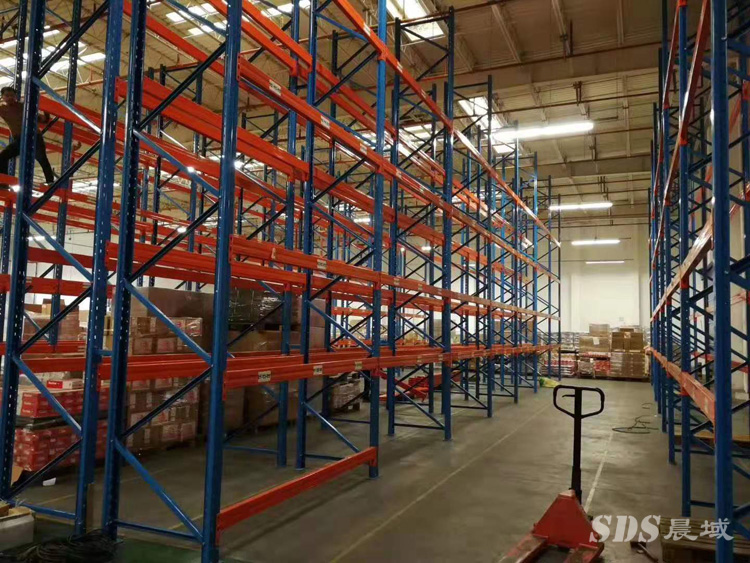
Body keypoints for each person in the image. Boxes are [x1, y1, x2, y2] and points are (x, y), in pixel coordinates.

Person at [0, 86, 55, 187]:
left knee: (42, 159)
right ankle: (4, 184)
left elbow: (42, 119)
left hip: (34, 137)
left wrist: (46, 111)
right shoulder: (2, 109)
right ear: (2, 97)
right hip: (19, 139)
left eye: (12, 95)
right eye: (7, 96)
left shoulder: (24, 106)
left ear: (15, 96)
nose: (10, 98)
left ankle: (50, 181)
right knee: (2, 157)